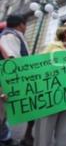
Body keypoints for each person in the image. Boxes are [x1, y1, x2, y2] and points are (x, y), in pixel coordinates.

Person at [0, 14, 30, 146]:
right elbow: (13, 61)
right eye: (25, 25)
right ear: (21, 24)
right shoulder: (10, 36)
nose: (26, 28)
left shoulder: (14, 36)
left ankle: (5, 138)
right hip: (5, 84)